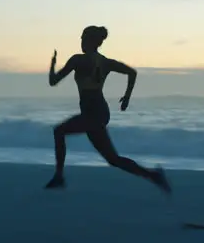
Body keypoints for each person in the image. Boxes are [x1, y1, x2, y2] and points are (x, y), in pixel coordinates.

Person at [44, 25, 171, 194]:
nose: (80, 41)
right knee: (113, 159)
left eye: (82, 38)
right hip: (99, 113)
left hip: (92, 114)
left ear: (90, 41)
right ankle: (154, 176)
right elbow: (132, 73)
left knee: (59, 131)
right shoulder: (105, 62)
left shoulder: (77, 60)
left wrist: (52, 64)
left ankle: (59, 177)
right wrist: (126, 98)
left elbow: (53, 81)